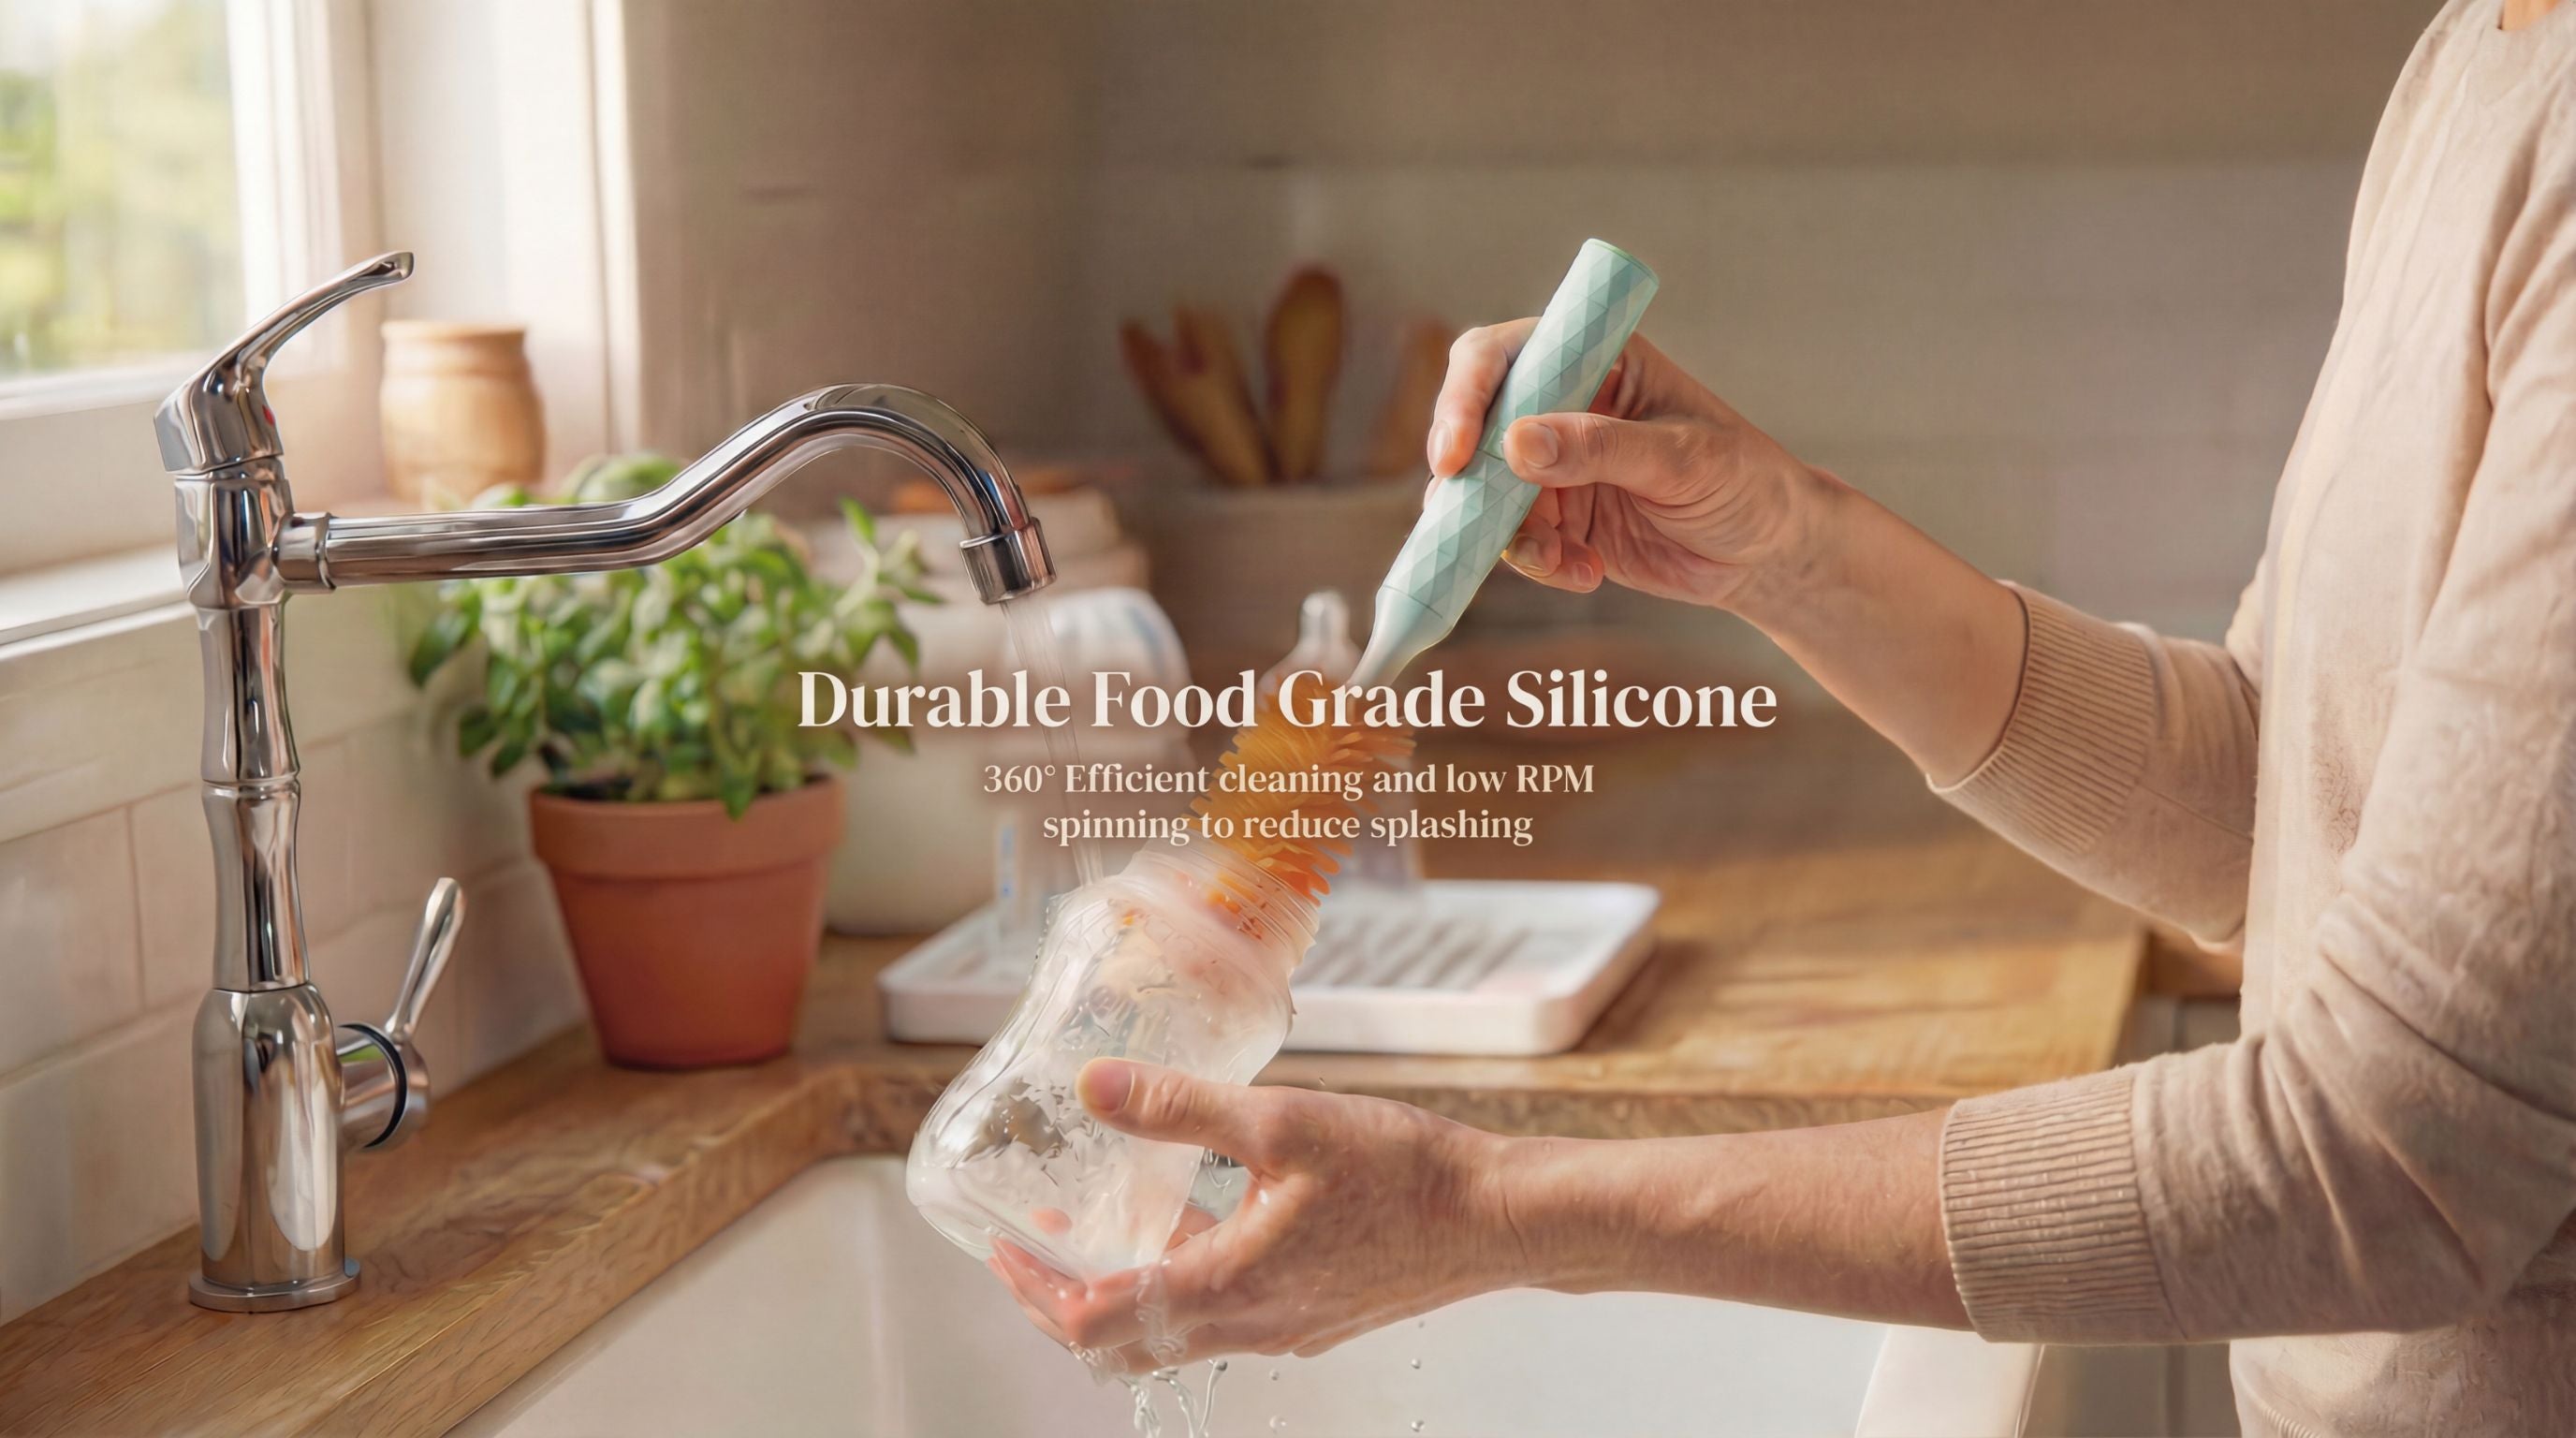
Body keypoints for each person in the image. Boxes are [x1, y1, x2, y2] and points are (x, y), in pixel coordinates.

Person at [989, 1, 2576, 1431]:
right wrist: (1781, 540)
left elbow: (2399, 1158)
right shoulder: (2471, 60)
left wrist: (1494, 1207)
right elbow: (2280, 800)